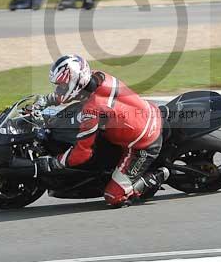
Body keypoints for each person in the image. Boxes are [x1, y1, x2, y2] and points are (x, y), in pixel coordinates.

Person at [31, 54, 169, 207]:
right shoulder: (97, 76)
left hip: (143, 144)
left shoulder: (93, 108)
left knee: (113, 197)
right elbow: (71, 93)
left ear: (75, 81)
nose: (59, 89)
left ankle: (156, 175)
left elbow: (82, 154)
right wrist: (47, 100)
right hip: (144, 113)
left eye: (62, 85)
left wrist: (54, 162)